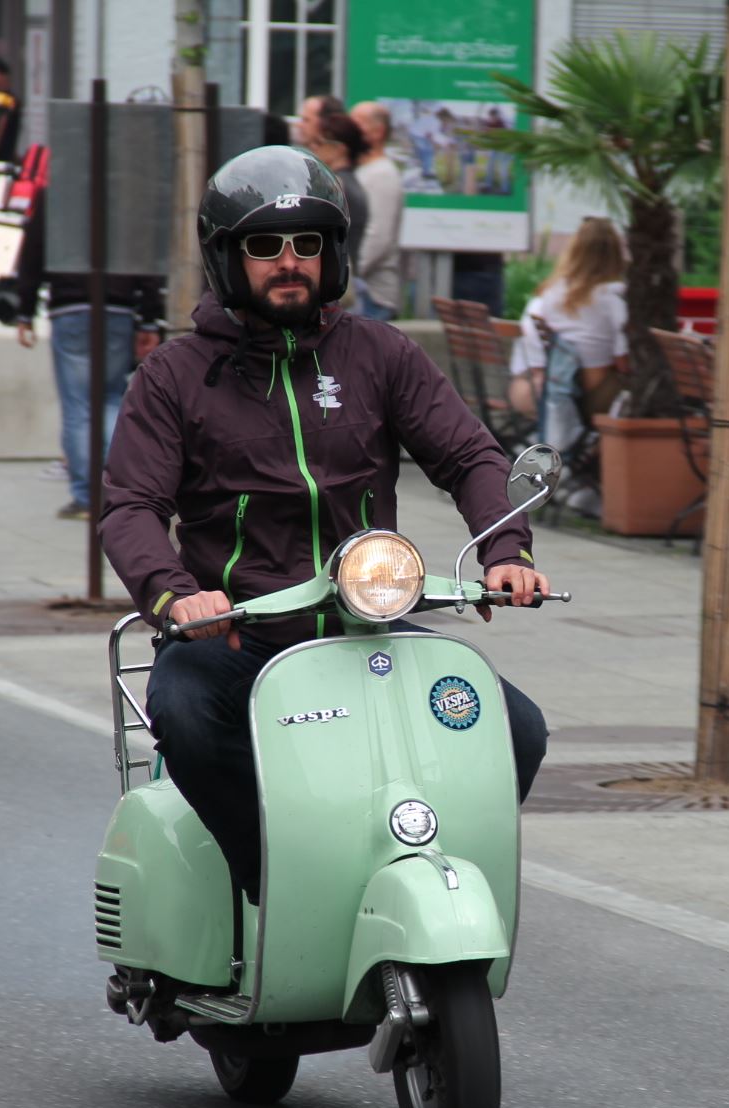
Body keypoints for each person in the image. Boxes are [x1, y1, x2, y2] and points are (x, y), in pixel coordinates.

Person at [99, 146, 551, 902]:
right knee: (184, 710)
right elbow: (131, 506)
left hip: (367, 628)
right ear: (227, 258)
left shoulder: (380, 354)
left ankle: (429, 868)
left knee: (516, 728)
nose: (288, 262)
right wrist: (177, 595)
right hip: (238, 635)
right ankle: (272, 882)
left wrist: (505, 550)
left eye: (306, 243)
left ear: (331, 253)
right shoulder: (174, 376)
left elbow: (470, 455)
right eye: (264, 246)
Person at [12, 185, 164, 518]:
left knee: (78, 406)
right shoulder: (125, 193)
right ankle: (116, 491)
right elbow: (144, 256)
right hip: (118, 306)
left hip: (70, 306)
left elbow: (32, 250)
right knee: (111, 399)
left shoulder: (57, 193)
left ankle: (86, 497)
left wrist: (24, 310)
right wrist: (149, 319)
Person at [508, 217, 629, 444]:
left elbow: (534, 347)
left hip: (556, 390)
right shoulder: (614, 299)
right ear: (615, 254)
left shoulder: (551, 294)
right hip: (595, 398)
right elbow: (624, 364)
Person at [304, 111, 370, 308]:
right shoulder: (353, 183)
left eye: (319, 143)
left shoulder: (335, 185)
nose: (313, 148)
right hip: (349, 281)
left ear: (339, 149)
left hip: (338, 287)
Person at [350, 101, 406, 321]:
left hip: (372, 298)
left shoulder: (383, 174)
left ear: (378, 131)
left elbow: (378, 237)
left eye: (357, 123)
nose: (351, 129)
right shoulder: (364, 170)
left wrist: (343, 278)